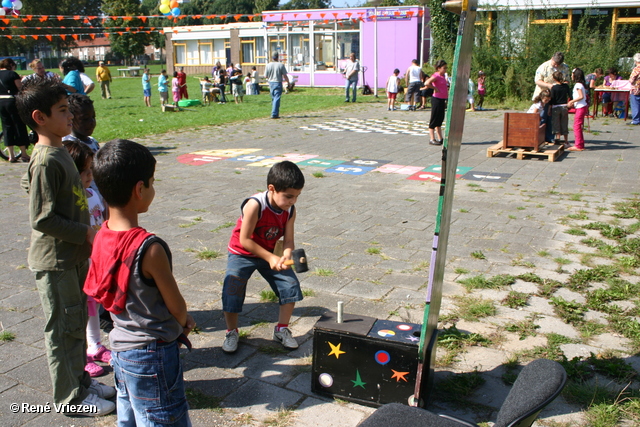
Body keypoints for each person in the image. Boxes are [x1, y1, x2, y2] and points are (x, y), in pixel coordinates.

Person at [17, 79, 116, 416]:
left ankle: (82, 384)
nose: (70, 116)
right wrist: (86, 232)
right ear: (39, 117)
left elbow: (29, 184)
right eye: (62, 111)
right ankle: (71, 400)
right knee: (63, 331)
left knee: (74, 326)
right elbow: (42, 219)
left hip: (72, 257)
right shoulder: (45, 159)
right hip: (56, 261)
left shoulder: (59, 150)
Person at [85, 139, 194, 426]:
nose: (153, 189)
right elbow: (176, 305)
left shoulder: (100, 235)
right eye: (152, 182)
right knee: (162, 418)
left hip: (120, 349)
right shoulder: (150, 248)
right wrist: (184, 321)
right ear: (139, 189)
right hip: (152, 353)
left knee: (129, 415)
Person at [222, 161, 305, 354]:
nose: (293, 201)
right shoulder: (255, 205)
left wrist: (285, 255)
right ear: (272, 189)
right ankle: (231, 332)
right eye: (289, 196)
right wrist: (270, 258)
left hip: (270, 254)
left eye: (297, 196)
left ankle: (282, 329)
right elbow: (244, 240)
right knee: (232, 289)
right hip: (242, 253)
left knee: (290, 285)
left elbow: (289, 240)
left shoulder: (290, 210)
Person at [62, 140, 110, 377]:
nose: (90, 175)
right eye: (85, 171)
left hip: (97, 260)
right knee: (80, 308)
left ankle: (95, 346)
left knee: (94, 306)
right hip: (80, 262)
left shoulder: (93, 194)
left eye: (92, 169)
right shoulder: (68, 201)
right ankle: (81, 356)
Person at [533, 52, 570, 141]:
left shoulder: (565, 67)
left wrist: (560, 86)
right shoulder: (544, 66)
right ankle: (538, 137)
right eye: (555, 63)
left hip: (557, 98)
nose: (557, 66)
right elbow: (537, 81)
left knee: (552, 118)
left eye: (559, 64)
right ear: (552, 58)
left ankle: (549, 138)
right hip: (544, 95)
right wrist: (549, 85)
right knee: (542, 116)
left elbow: (567, 81)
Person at [0, 58, 30, 162]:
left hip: (1, 102)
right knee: (19, 125)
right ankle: (24, 154)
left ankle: (11, 155)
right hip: (12, 101)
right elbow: (20, 87)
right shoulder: (12, 74)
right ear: (11, 65)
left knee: (7, 127)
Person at [424, 59, 448, 146]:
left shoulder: (443, 76)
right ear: (439, 68)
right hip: (436, 99)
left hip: (442, 99)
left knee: (440, 119)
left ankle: (440, 138)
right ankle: (432, 138)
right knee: (434, 119)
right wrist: (435, 88)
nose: (445, 69)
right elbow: (427, 83)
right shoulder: (436, 76)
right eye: (444, 68)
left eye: (446, 68)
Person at [567, 68, 588, 151]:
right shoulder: (580, 84)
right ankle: (580, 143)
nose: (571, 75)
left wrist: (571, 101)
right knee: (578, 125)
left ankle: (579, 145)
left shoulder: (578, 85)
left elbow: (581, 96)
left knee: (576, 126)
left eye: (572, 74)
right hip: (581, 106)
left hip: (580, 107)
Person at [265, 53, 289, 119]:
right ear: (278, 57)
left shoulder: (268, 65)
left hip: (271, 83)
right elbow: (285, 75)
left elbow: (266, 76)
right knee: (276, 98)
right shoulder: (281, 65)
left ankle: (275, 112)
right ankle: (274, 113)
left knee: (273, 98)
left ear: (272, 57)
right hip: (278, 82)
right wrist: (288, 82)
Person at [550, 70, 571, 146]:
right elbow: (570, 96)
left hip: (555, 107)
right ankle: (566, 141)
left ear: (554, 79)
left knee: (556, 124)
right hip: (564, 106)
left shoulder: (554, 88)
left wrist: (549, 108)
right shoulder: (566, 86)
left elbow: (552, 99)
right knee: (564, 123)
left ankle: (558, 139)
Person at [630, 53, 640, 126]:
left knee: (635, 105)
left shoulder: (637, 68)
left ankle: (636, 120)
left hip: (636, 89)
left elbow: (632, 79)